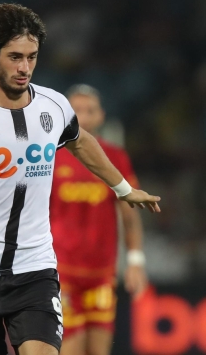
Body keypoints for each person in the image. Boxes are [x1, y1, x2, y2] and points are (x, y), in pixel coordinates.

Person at [0, 3, 160, 355]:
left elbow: (81, 142)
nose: (24, 67)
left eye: (32, 57)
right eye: (15, 57)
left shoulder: (54, 106)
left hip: (35, 270)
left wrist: (123, 189)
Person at [49, 84, 148, 355]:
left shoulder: (116, 157)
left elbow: (130, 216)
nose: (82, 117)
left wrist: (135, 261)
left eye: (89, 111)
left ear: (101, 116)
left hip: (102, 274)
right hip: (62, 273)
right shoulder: (50, 158)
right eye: (76, 110)